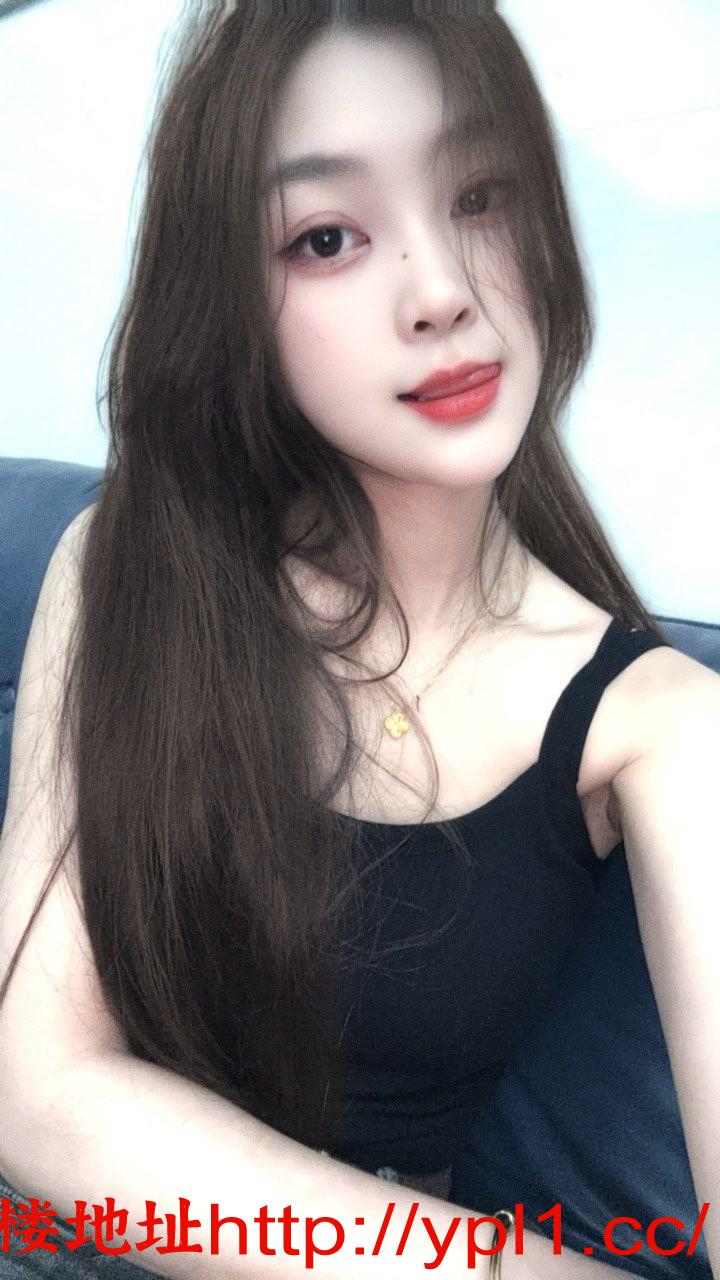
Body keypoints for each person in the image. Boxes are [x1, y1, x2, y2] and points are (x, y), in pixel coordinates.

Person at [0, 3, 718, 1278]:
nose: (441, 292)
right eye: (328, 236)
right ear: (230, 299)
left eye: (480, 196)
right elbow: (33, 1082)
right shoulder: (132, 562)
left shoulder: (658, 720)